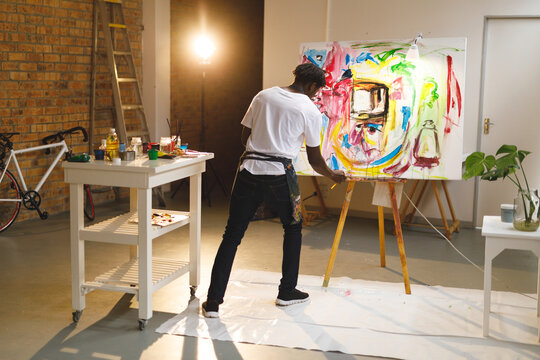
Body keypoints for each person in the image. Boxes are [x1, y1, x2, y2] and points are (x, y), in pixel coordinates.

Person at [202, 63, 346, 318]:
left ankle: (213, 302)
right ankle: (286, 291)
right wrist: (333, 175)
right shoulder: (309, 109)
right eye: (316, 91)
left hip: (248, 170)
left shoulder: (264, 95)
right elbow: (314, 159)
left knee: (232, 235)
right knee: (292, 228)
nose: (315, 96)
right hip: (281, 175)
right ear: (312, 86)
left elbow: (244, 136)